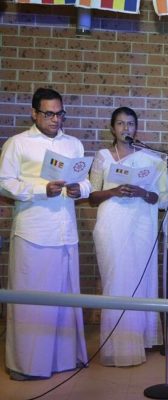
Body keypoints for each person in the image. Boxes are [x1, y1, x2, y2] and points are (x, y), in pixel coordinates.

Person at [0, 88, 89, 380]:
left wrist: (80, 189)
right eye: (48, 113)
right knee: (32, 302)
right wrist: (40, 189)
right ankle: (27, 365)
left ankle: (63, 360)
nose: (55, 119)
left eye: (59, 113)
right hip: (33, 233)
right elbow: (4, 183)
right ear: (34, 113)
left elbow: (85, 181)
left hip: (65, 232)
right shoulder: (18, 144)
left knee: (62, 300)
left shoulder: (73, 143)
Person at [89, 107, 163, 366]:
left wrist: (142, 193)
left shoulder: (149, 159)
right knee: (116, 278)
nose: (126, 129)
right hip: (111, 223)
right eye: (120, 124)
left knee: (137, 281)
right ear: (112, 128)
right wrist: (114, 191)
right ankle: (115, 346)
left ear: (136, 128)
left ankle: (136, 341)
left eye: (130, 124)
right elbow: (91, 196)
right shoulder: (102, 156)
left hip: (141, 223)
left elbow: (157, 197)